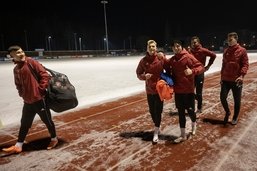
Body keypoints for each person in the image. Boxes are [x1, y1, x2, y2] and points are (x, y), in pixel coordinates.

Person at [2, 45, 58, 153]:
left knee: (47, 121)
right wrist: (21, 93)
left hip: (39, 100)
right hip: (27, 102)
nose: (21, 53)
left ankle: (54, 139)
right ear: (11, 56)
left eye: (21, 51)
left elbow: (45, 76)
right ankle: (18, 145)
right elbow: (17, 84)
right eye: (18, 53)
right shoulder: (16, 69)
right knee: (24, 123)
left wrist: (40, 90)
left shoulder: (31, 62)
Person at [166, 40, 205, 143]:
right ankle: (183, 135)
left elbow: (201, 67)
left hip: (188, 91)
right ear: (172, 48)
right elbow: (165, 65)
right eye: (174, 47)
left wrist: (192, 71)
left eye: (178, 46)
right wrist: (160, 57)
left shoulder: (188, 57)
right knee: (181, 113)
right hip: (178, 91)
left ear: (181, 47)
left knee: (191, 111)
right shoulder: (173, 60)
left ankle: (194, 123)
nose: (176, 48)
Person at [136, 40, 168, 144]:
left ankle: (156, 132)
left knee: (158, 111)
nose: (152, 48)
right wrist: (144, 76)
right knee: (152, 111)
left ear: (156, 47)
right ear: (147, 48)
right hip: (149, 90)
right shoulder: (143, 61)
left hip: (159, 90)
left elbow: (169, 68)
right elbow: (138, 73)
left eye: (153, 46)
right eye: (150, 47)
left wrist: (164, 57)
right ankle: (157, 125)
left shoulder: (160, 58)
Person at [220, 32, 249, 125]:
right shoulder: (226, 51)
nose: (228, 41)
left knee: (237, 100)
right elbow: (223, 65)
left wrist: (241, 76)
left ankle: (235, 117)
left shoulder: (242, 50)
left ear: (236, 39)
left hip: (237, 79)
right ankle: (228, 111)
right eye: (228, 40)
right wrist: (221, 77)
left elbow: (245, 64)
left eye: (230, 40)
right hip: (225, 79)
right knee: (222, 97)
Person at [189, 36, 217, 114]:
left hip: (200, 73)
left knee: (199, 92)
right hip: (192, 73)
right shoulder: (190, 51)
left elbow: (213, 55)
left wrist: (208, 66)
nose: (193, 44)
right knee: (190, 91)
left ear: (198, 42)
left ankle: (199, 108)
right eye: (192, 43)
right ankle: (193, 105)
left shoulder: (203, 50)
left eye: (195, 42)